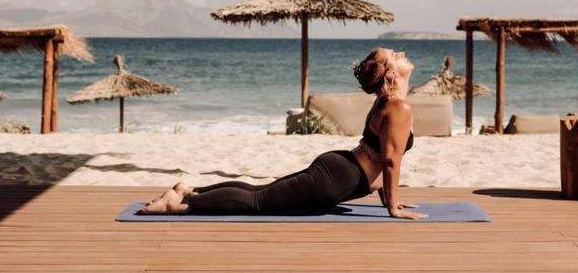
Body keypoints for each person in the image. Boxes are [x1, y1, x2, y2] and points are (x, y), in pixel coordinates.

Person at [138, 47, 427, 220]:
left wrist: (390, 197)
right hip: (337, 178)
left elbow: (382, 155)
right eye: (394, 55)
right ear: (391, 74)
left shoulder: (389, 103)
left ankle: (190, 191)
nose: (400, 53)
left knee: (258, 191)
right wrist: (392, 207)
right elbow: (389, 161)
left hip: (340, 167)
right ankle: (178, 203)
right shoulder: (398, 106)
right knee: (258, 202)